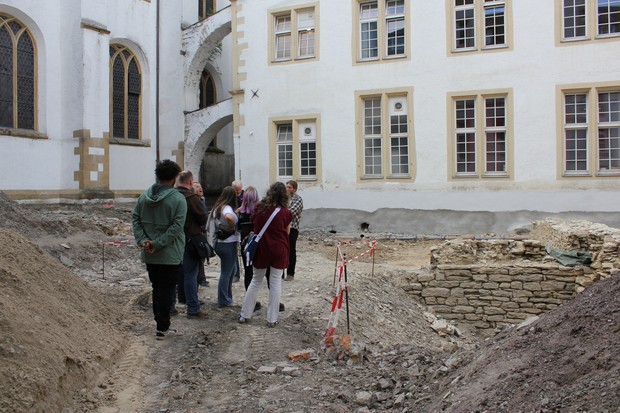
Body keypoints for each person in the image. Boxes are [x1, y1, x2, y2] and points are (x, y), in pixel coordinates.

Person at [132, 159, 187, 339]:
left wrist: (144, 241)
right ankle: (162, 326)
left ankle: (160, 324)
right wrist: (155, 243)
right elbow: (176, 228)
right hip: (169, 254)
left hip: (149, 253)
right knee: (167, 290)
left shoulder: (143, 196)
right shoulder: (178, 199)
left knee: (157, 288)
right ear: (174, 178)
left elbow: (136, 220)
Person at [239, 182, 292, 327]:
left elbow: (253, 224)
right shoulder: (286, 212)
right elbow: (287, 231)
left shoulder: (259, 207)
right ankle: (272, 319)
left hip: (262, 248)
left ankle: (245, 314)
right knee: (275, 282)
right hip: (279, 249)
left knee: (256, 281)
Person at [176, 170, 208, 318]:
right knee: (190, 274)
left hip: (173, 240)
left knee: (176, 273)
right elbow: (202, 219)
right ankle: (193, 308)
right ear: (190, 182)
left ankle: (177, 302)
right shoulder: (191, 197)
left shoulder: (171, 195)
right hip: (189, 239)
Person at [210, 186, 239, 308]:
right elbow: (228, 217)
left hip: (220, 244)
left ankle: (227, 297)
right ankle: (223, 299)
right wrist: (232, 226)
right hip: (228, 243)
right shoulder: (227, 208)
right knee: (226, 273)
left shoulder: (217, 207)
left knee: (230, 271)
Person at [236, 186, 259, 291]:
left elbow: (237, 228)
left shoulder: (239, 212)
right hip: (257, 243)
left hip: (245, 244)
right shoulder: (259, 212)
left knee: (248, 271)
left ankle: (249, 297)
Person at [285, 180, 303, 281]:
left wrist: (282, 212)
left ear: (294, 189)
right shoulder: (283, 199)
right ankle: (280, 272)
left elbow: (290, 213)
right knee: (282, 250)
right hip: (282, 228)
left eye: (290, 187)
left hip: (293, 228)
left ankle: (290, 273)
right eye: (286, 187)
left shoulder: (298, 199)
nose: (287, 189)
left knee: (291, 250)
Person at [193, 181, 210, 288]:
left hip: (203, 232)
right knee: (198, 257)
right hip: (197, 232)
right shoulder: (194, 201)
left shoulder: (202, 200)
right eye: (198, 187)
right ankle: (199, 279)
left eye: (201, 186)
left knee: (202, 256)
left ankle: (201, 278)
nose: (201, 188)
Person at [231, 180, 244, 283]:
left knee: (245, 250)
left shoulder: (245, 195)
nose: (238, 191)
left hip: (243, 225)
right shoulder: (230, 196)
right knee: (234, 251)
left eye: (239, 189)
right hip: (233, 226)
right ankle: (236, 274)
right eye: (236, 190)